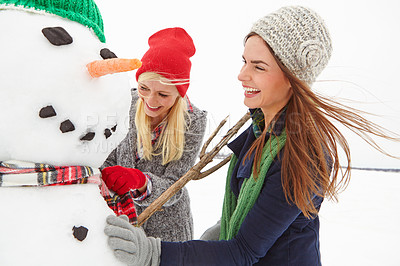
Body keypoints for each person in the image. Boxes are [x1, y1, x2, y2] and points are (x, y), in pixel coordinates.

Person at [103, 6, 399, 265]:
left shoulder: (303, 152)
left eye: (258, 66)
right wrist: (220, 232)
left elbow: (243, 252)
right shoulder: (261, 131)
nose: (242, 75)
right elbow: (253, 219)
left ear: (292, 76)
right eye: (244, 61)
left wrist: (153, 254)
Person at [100, 27, 207, 242]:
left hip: (167, 233)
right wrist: (107, 175)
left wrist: (140, 181)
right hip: (120, 221)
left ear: (179, 93)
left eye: (163, 94)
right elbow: (106, 153)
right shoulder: (126, 103)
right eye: (144, 88)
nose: (150, 100)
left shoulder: (193, 121)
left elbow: (175, 185)